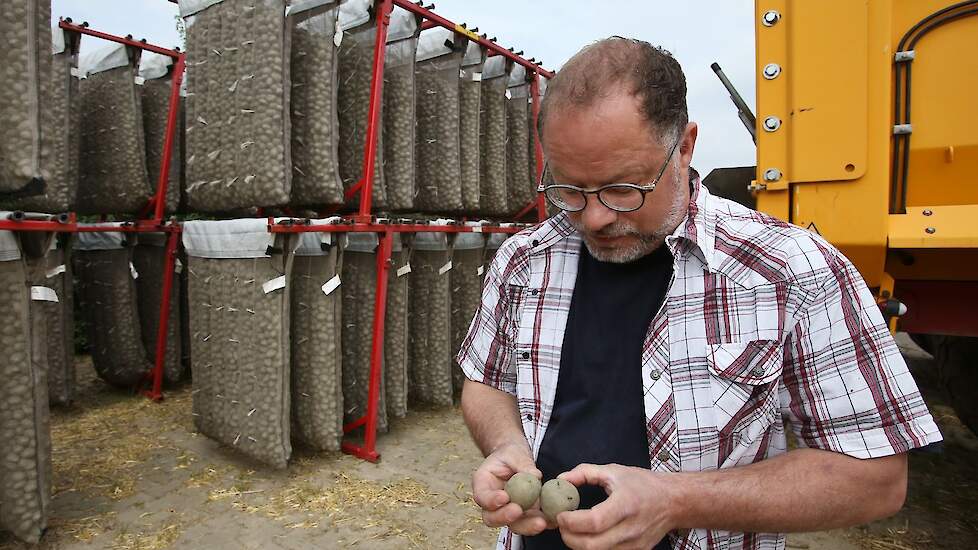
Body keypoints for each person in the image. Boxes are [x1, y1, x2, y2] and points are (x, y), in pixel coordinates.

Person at [456, 37, 942, 550]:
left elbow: (876, 478)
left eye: (623, 189)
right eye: (569, 189)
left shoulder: (793, 272)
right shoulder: (524, 261)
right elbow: (486, 381)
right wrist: (506, 445)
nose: (593, 218)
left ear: (685, 147)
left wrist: (676, 500)